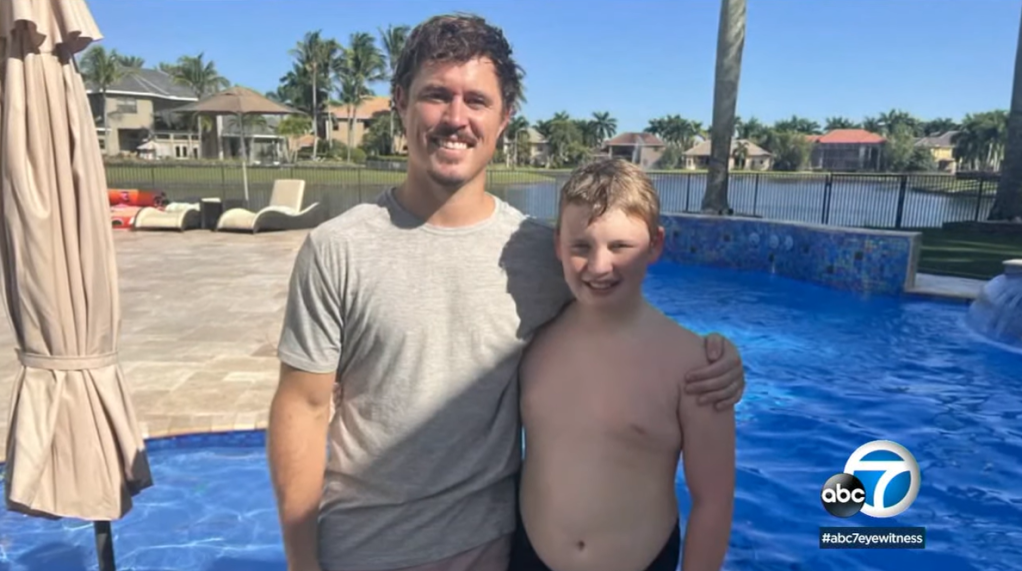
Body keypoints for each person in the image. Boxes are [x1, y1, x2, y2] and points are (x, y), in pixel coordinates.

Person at [267, 13, 745, 571]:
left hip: (493, 551)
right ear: (400, 102)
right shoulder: (337, 250)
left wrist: (716, 357)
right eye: (435, 95)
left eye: (476, 100)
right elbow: (301, 408)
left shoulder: (540, 254)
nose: (455, 118)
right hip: (364, 549)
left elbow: (619, 315)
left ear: (505, 117)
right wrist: (303, 562)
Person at [511, 159, 735, 571]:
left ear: (655, 244)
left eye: (620, 247)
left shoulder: (695, 366)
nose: (599, 266)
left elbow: (714, 500)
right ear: (558, 245)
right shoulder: (530, 343)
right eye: (581, 247)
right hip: (530, 558)